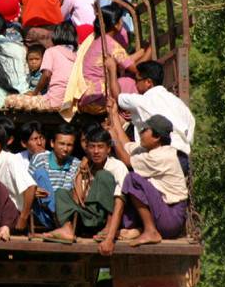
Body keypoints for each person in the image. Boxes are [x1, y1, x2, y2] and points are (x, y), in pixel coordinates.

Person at [108, 104, 188, 247]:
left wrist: (113, 139)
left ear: (156, 137)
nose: (141, 133)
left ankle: (150, 231)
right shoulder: (149, 150)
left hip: (171, 217)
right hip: (164, 213)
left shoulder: (162, 156)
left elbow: (126, 160)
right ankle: (142, 228)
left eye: (145, 130)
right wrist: (113, 114)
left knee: (132, 179)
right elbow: (126, 144)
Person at [61, 2, 151, 119]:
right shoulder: (109, 43)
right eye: (121, 20)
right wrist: (151, 48)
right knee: (130, 81)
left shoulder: (97, 39)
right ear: (116, 24)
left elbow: (126, 61)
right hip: (98, 98)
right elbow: (136, 69)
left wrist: (143, 51)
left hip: (86, 97)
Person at [44, 127, 127, 243]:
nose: (96, 151)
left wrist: (111, 232)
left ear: (108, 149)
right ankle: (67, 228)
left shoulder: (117, 166)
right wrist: (80, 173)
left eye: (100, 147)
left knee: (103, 175)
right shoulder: (86, 166)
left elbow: (120, 201)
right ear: (86, 148)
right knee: (60, 192)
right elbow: (77, 199)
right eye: (92, 147)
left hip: (104, 219)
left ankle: (107, 227)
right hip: (86, 217)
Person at [117, 60, 195, 174]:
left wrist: (111, 70)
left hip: (161, 158)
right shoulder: (179, 104)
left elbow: (116, 97)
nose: (135, 84)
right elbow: (190, 130)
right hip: (182, 159)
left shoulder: (143, 101)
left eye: (137, 80)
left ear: (148, 82)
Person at [5, 22, 77, 110]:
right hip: (71, 103)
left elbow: (46, 74)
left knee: (9, 99)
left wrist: (35, 93)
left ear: (56, 35)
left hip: (53, 102)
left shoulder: (51, 51)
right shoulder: (77, 53)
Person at [27, 123, 81, 228]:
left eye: (69, 145)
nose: (65, 149)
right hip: (42, 212)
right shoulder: (40, 158)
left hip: (65, 214)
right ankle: (57, 219)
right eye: (62, 144)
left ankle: (58, 219)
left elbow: (69, 193)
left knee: (63, 193)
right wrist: (34, 190)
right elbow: (26, 185)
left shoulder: (76, 164)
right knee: (40, 173)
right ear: (52, 143)